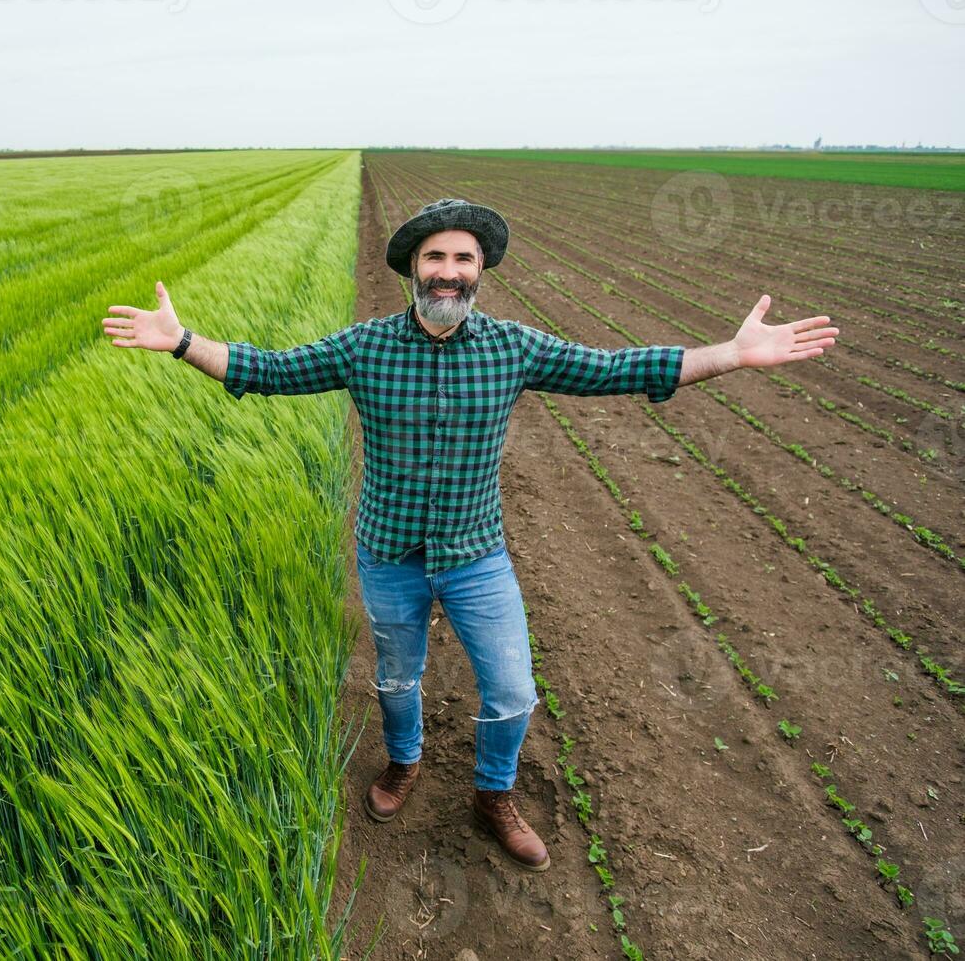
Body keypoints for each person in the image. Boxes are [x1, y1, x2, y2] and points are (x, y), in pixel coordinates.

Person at [99, 197, 840, 872]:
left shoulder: (512, 347)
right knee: (395, 679)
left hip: (476, 555)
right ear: (412, 271)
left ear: (481, 271)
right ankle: (404, 763)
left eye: (463, 259)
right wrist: (181, 341)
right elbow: (266, 370)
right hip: (389, 553)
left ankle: (493, 796)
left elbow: (618, 368)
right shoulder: (364, 348)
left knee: (514, 692)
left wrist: (732, 354)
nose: (448, 273)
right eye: (434, 258)